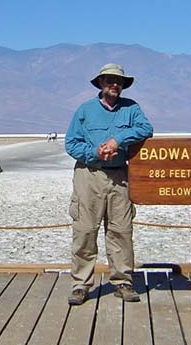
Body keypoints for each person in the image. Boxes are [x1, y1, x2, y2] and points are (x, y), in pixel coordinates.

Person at [65, 63, 153, 306]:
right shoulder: (85, 110)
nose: (115, 85)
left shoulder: (131, 108)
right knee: (85, 231)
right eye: (110, 80)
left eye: (120, 81)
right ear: (101, 83)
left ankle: (122, 281)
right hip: (89, 175)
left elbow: (146, 128)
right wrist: (95, 153)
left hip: (120, 176)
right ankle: (80, 284)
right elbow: (71, 143)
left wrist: (118, 140)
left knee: (121, 231)